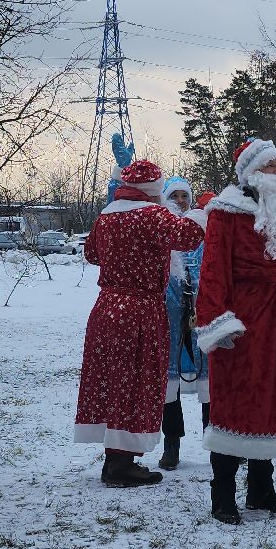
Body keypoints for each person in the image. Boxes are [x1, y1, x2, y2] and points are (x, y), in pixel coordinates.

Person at [195, 139, 276, 523]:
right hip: (244, 321)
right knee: (236, 401)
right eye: (271, 165)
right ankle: (222, 494)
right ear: (251, 172)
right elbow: (212, 272)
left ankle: (262, 490)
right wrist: (218, 323)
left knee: (272, 400)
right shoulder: (226, 213)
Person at [74, 159, 206, 487]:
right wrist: (204, 209)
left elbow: (91, 254)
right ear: (153, 190)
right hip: (140, 309)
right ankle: (121, 465)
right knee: (135, 381)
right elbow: (189, 236)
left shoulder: (107, 215)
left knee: (113, 381)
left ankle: (115, 458)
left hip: (107, 308)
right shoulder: (151, 213)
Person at [158, 176, 209, 471]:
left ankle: (215, 439)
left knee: (208, 375)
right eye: (174, 196)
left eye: (184, 196)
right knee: (170, 377)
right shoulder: (161, 231)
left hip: (202, 311)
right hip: (168, 312)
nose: (180, 201)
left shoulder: (203, 229)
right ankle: (172, 443)